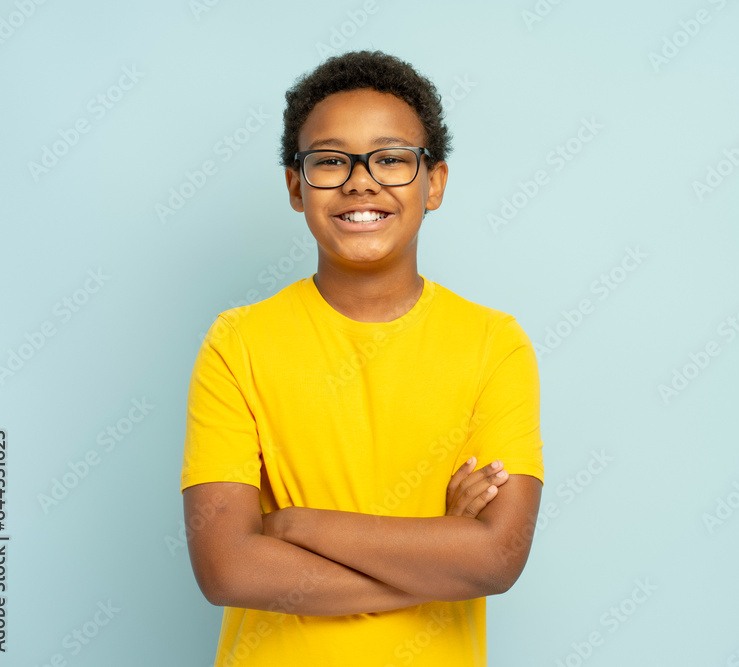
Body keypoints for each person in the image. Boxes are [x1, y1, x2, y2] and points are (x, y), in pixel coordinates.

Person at [179, 50, 544, 666]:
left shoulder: (493, 343)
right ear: (297, 186)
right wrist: (438, 556)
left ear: (435, 182)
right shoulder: (238, 342)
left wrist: (294, 526)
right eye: (329, 161)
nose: (360, 180)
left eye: (392, 159)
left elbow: (495, 560)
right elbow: (226, 569)